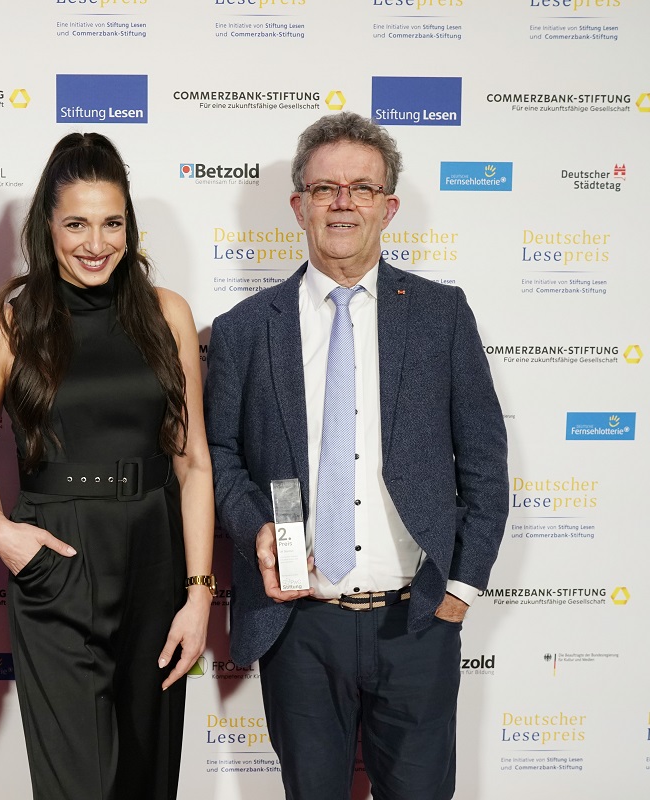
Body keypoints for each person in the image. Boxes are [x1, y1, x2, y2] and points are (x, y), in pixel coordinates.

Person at [204, 112, 508, 800]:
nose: (343, 203)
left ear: (388, 207)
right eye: (325, 189)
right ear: (298, 206)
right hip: (300, 628)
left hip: (417, 622)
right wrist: (256, 525)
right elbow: (219, 453)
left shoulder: (441, 314)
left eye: (362, 189)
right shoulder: (246, 330)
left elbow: (486, 461)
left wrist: (460, 591)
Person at [0, 132, 214, 799]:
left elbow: (193, 464)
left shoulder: (168, 315)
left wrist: (199, 593)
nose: (95, 243)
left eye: (111, 223)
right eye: (76, 223)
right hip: (58, 559)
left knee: (146, 780)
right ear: (48, 225)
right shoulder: (3, 330)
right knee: (79, 786)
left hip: (156, 554)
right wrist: (0, 533)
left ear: (129, 226)